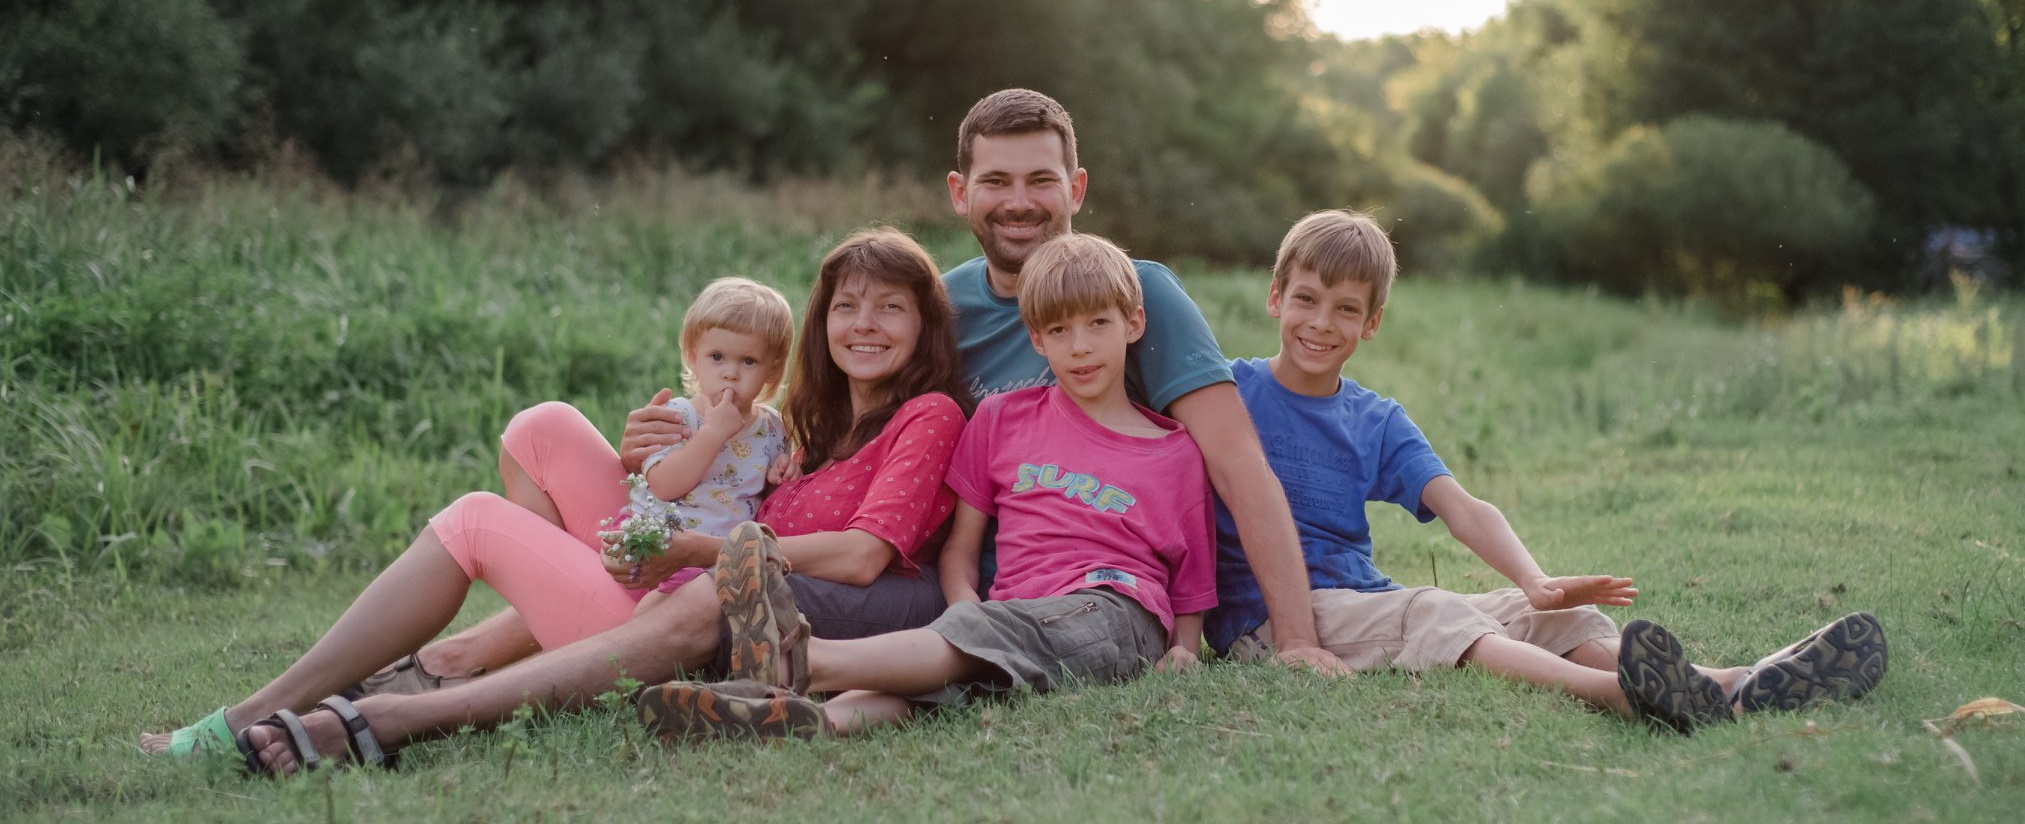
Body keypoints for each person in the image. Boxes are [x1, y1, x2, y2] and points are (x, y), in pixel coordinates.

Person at [144, 228, 976, 771]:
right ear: (822, 325)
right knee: (542, 424)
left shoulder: (926, 413)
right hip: (669, 574)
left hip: (684, 604)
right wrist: (649, 459)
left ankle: (256, 714)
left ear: (923, 325)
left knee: (473, 518)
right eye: (847, 307)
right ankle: (505, 636)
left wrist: (691, 550)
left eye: (890, 309)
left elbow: (866, 555)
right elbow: (716, 489)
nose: (864, 324)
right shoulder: (805, 422)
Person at [1206, 209, 1891, 732]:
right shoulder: (1227, 392)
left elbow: (1464, 507)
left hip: (1362, 599)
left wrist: (1532, 582)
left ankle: (1732, 682)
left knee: (1552, 616)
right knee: (1435, 609)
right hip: (1267, 620)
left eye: (1345, 309)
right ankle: (1629, 696)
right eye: (1305, 299)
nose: (1320, 323)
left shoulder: (1375, 419)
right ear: (1275, 298)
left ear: (1372, 323)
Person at [634, 233, 1213, 741]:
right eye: (1059, 330)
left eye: (1098, 325)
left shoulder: (1174, 450)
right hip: (1009, 609)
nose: (1080, 345)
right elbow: (963, 547)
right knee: (951, 676)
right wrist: (965, 607)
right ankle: (804, 720)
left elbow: (1190, 577)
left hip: (1113, 605)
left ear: (1134, 323)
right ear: (1035, 339)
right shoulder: (1002, 420)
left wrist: (1185, 646)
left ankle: (800, 664)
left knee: (981, 644)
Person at [935, 88, 1346, 674]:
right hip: (959, 587)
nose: (1019, 202)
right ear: (961, 193)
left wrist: (1297, 638)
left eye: (1041, 181)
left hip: (1095, 598)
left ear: (1076, 188)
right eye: (997, 181)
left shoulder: (1138, 295)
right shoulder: (940, 308)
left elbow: (1237, 463)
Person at [604, 276, 793, 614]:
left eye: (748, 361)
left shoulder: (773, 428)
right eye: (717, 357)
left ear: (771, 369)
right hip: (656, 543)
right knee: (655, 611)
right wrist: (713, 434)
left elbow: (765, 494)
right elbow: (664, 484)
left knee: (692, 607)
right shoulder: (678, 417)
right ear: (694, 357)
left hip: (712, 558)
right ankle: (632, 646)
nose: (731, 373)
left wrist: (783, 471)